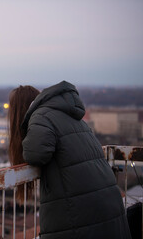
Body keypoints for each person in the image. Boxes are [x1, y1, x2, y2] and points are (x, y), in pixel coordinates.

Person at [8, 81, 131, 239]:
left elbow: (36, 154)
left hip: (81, 212)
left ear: (20, 110)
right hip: (108, 205)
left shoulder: (40, 116)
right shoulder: (71, 116)